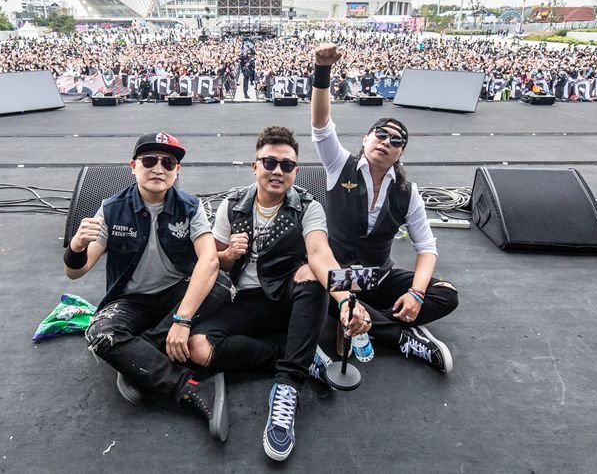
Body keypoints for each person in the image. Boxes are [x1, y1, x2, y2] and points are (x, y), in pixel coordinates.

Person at [186, 126, 370, 461]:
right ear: (255, 166)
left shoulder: (308, 207)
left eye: (287, 165)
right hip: (244, 300)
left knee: (310, 273)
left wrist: (345, 299)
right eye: (269, 163)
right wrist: (229, 255)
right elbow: (214, 261)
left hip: (289, 298)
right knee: (198, 348)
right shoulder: (231, 205)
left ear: (295, 172)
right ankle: (300, 355)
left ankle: (287, 385)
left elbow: (321, 255)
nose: (277, 171)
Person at [64, 131, 233, 441]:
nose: (158, 168)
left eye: (168, 163)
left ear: (177, 170)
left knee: (222, 283)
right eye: (149, 160)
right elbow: (77, 271)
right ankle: (190, 387)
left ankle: (139, 358)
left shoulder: (190, 207)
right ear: (133, 166)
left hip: (176, 294)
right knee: (100, 332)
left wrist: (182, 320)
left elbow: (209, 261)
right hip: (131, 299)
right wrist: (76, 246)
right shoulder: (111, 208)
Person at [310, 43, 459, 373]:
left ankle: (365, 319)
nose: (386, 142)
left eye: (396, 141)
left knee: (446, 294)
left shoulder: (408, 192)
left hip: (378, 275)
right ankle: (400, 335)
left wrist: (416, 294)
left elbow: (427, 248)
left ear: (400, 153)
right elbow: (321, 125)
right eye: (381, 134)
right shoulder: (339, 165)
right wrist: (322, 69)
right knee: (315, 289)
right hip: (339, 276)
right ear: (365, 139)